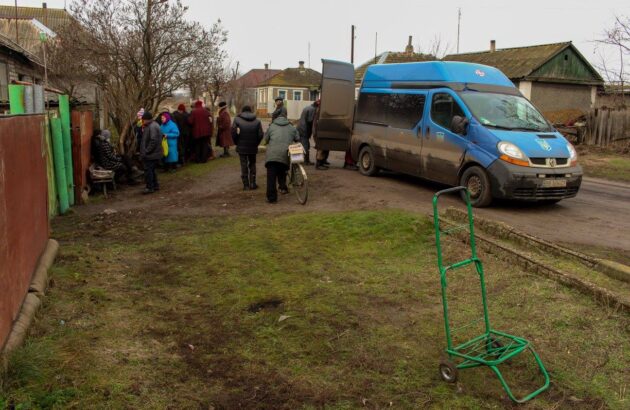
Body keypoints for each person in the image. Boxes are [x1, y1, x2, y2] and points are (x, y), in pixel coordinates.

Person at [262, 111, 299, 204]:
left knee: (271, 177)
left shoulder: (272, 126)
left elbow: (265, 140)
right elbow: (298, 138)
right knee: (282, 170)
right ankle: (283, 188)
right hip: (285, 155)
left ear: (276, 118)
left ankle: (272, 198)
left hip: (271, 155)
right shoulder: (292, 127)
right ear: (286, 118)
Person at [232, 105, 263, 190]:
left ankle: (246, 185)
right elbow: (260, 135)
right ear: (251, 111)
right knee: (252, 164)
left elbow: (233, 133)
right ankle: (253, 183)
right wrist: (256, 143)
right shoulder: (257, 121)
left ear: (242, 111)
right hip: (253, 146)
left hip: (241, 146)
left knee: (243, 164)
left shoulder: (237, 120)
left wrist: (237, 143)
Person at [140, 111, 162, 194]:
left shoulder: (152, 126)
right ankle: (155, 185)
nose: (143, 121)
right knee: (152, 170)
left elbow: (153, 140)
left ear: (146, 119)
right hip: (154, 153)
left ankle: (150, 187)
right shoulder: (154, 125)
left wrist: (146, 151)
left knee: (148, 170)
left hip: (151, 154)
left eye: (143, 120)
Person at [297, 99, 319, 165]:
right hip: (304, 129)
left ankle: (304, 160)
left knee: (304, 145)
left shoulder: (308, 107)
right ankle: (305, 161)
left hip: (300, 128)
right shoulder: (312, 109)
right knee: (305, 146)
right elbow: (310, 121)